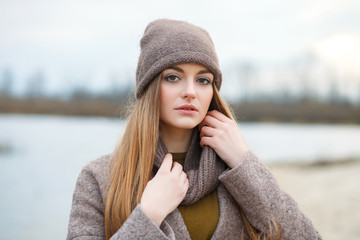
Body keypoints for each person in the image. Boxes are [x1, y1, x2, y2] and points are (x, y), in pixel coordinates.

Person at [66, 19, 321, 240]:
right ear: (149, 87)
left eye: (203, 80)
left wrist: (244, 161)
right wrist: (148, 215)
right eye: (173, 77)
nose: (190, 92)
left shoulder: (236, 171)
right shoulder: (98, 178)